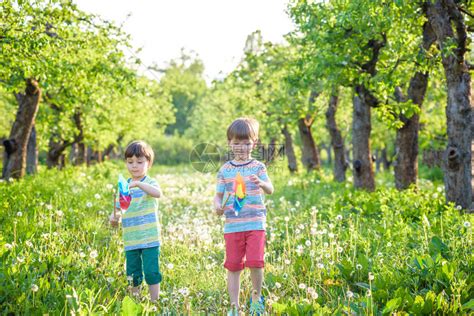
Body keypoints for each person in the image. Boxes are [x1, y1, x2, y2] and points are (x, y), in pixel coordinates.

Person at [213, 118, 274, 315]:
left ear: (254, 143)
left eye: (247, 142)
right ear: (229, 143)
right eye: (237, 143)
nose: (241, 147)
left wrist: (262, 184)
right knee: (233, 266)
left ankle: (256, 298)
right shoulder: (225, 170)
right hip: (233, 225)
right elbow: (218, 195)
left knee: (256, 262)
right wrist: (217, 206)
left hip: (255, 223)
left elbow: (270, 189)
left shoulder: (258, 167)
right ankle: (234, 306)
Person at [109, 140, 162, 302]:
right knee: (133, 273)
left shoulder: (149, 183)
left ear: (148, 163)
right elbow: (118, 209)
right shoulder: (124, 186)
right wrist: (114, 217)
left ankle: (154, 301)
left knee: (152, 271)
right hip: (131, 238)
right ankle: (135, 300)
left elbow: (158, 193)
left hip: (150, 238)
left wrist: (138, 184)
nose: (134, 166)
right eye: (130, 162)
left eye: (139, 162)